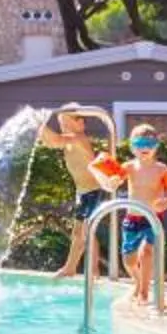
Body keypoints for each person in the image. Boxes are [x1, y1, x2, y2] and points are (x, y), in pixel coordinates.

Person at [86, 122, 167, 310]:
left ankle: (143, 292)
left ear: (156, 147)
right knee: (129, 260)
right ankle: (138, 282)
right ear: (132, 147)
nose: (144, 149)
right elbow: (112, 185)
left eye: (148, 144)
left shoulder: (161, 169)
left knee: (147, 252)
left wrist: (165, 203)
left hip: (152, 218)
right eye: (139, 144)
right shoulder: (129, 167)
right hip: (132, 218)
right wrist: (111, 181)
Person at [40, 109, 113, 277]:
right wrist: (39, 130)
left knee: (86, 231)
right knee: (79, 233)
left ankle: (90, 270)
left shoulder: (79, 138)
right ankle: (74, 268)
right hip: (83, 192)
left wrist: (38, 124)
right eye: (61, 124)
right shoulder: (70, 140)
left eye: (66, 123)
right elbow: (51, 143)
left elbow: (56, 140)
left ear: (81, 123)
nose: (63, 126)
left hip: (93, 191)